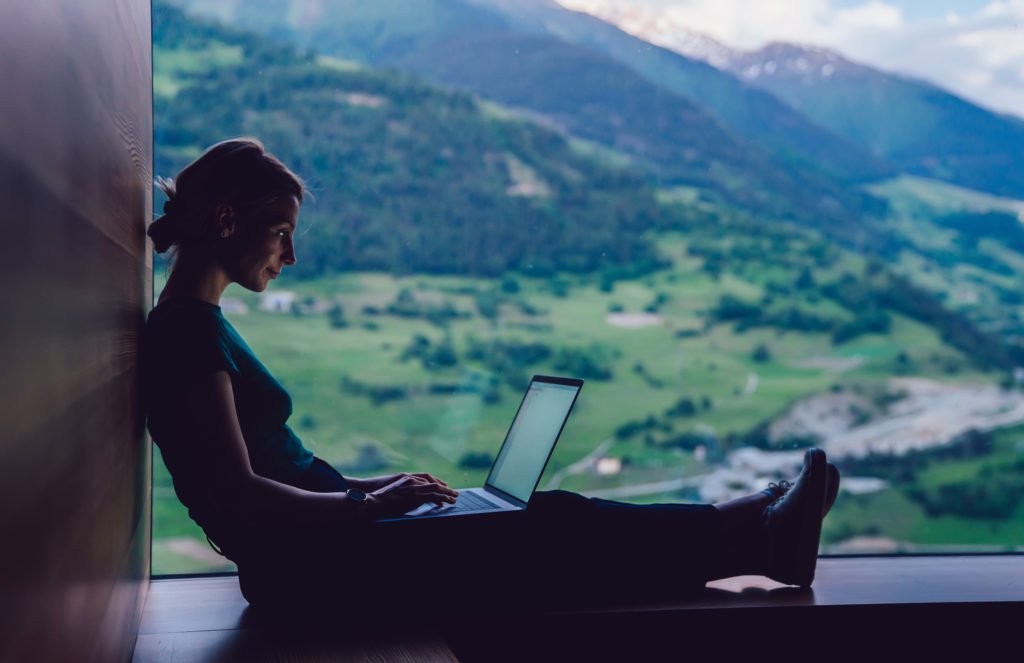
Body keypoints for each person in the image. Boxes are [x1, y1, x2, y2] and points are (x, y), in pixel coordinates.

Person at [143, 138, 841, 614]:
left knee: (542, 521)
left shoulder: (195, 324)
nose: (290, 255)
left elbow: (275, 469)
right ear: (229, 219)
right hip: (316, 567)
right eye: (280, 232)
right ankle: (758, 531)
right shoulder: (187, 331)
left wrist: (374, 489)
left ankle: (759, 519)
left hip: (332, 541)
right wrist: (365, 509)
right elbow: (235, 494)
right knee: (554, 528)